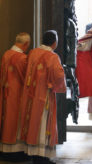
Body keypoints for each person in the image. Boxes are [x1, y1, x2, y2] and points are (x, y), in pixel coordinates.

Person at [20, 30, 66, 164]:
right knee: (43, 123)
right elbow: (59, 76)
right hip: (44, 96)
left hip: (30, 95)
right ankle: (42, 156)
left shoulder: (33, 52)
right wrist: (53, 85)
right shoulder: (52, 57)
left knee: (32, 122)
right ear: (54, 43)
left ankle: (33, 154)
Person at [0, 32, 31, 160]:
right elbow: (27, 78)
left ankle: (5, 149)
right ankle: (15, 151)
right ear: (26, 44)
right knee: (16, 121)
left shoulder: (6, 54)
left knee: (7, 119)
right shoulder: (22, 58)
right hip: (17, 94)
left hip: (5, 91)